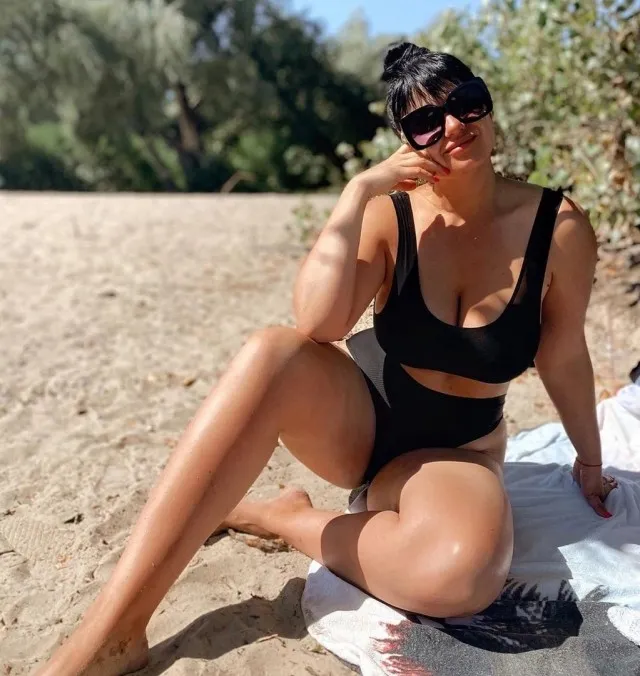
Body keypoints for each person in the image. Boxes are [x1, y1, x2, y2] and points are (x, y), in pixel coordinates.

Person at [37, 42, 618, 675]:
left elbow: (565, 355)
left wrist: (589, 462)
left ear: (488, 103)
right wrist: (356, 194)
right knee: (272, 351)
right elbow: (318, 324)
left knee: (462, 576)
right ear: (406, 141)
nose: (454, 126)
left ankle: (287, 518)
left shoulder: (557, 227)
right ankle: (115, 628)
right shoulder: (390, 215)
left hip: (457, 453)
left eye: (466, 103)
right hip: (359, 426)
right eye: (427, 121)